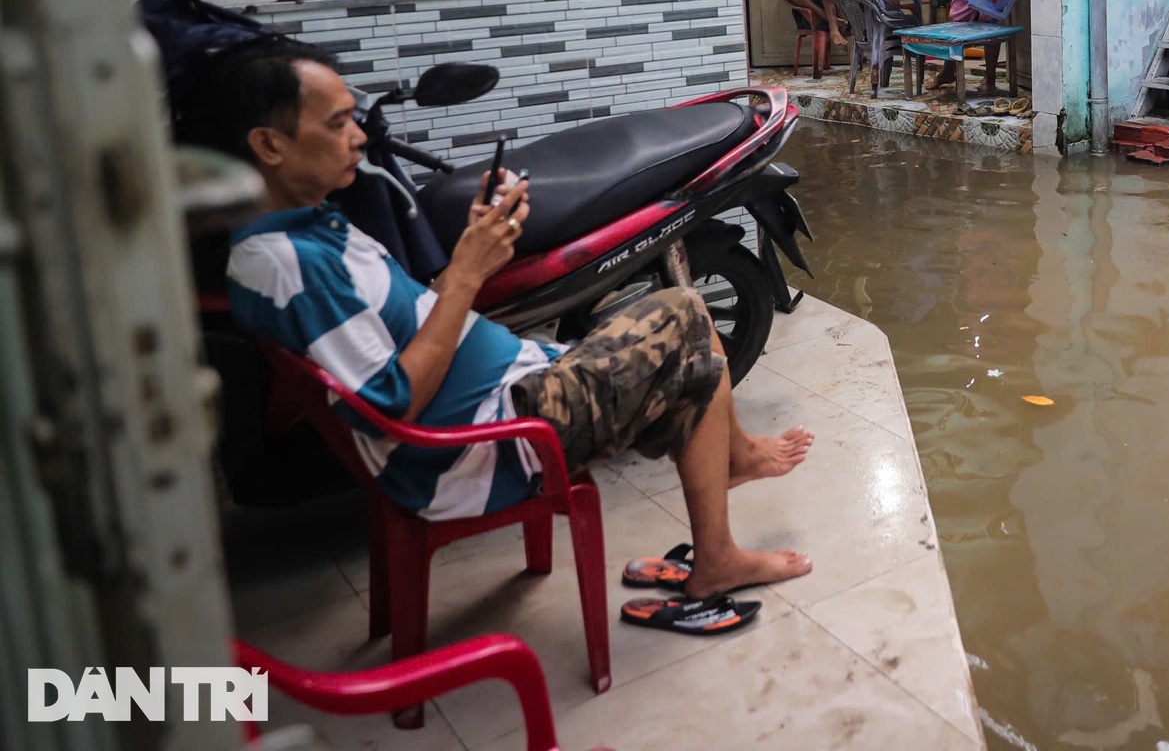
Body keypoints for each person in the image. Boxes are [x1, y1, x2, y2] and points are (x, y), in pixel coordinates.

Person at [206, 43, 813, 619]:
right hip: (482, 445)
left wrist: (471, 257)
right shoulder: (286, 264)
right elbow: (389, 402)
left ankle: (728, 471)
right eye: (337, 124)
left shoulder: (307, 231)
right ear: (269, 144)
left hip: (499, 397)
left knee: (690, 338)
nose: (358, 136)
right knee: (682, 316)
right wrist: (468, 275)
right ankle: (717, 550)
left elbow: (414, 318)